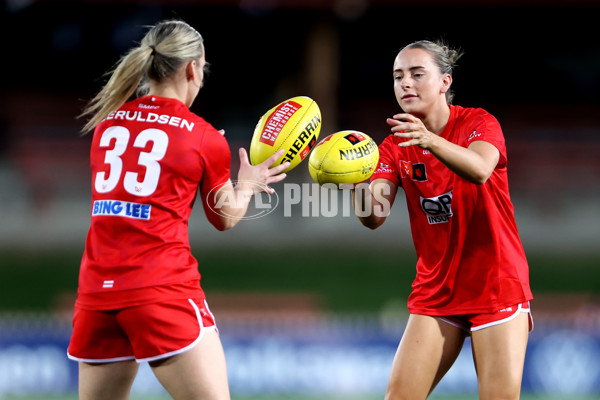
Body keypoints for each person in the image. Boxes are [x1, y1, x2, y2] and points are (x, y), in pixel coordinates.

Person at [67, 20, 288, 400]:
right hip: (161, 291)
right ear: (192, 69)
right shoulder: (201, 135)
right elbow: (225, 219)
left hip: (97, 295)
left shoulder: (106, 126)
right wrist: (248, 185)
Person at [352, 40, 533, 400]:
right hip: (436, 291)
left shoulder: (479, 122)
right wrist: (353, 180)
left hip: (495, 284)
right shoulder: (393, 147)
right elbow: (374, 216)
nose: (406, 83)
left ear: (444, 83)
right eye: (398, 76)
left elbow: (481, 169)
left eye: (417, 74)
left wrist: (429, 140)